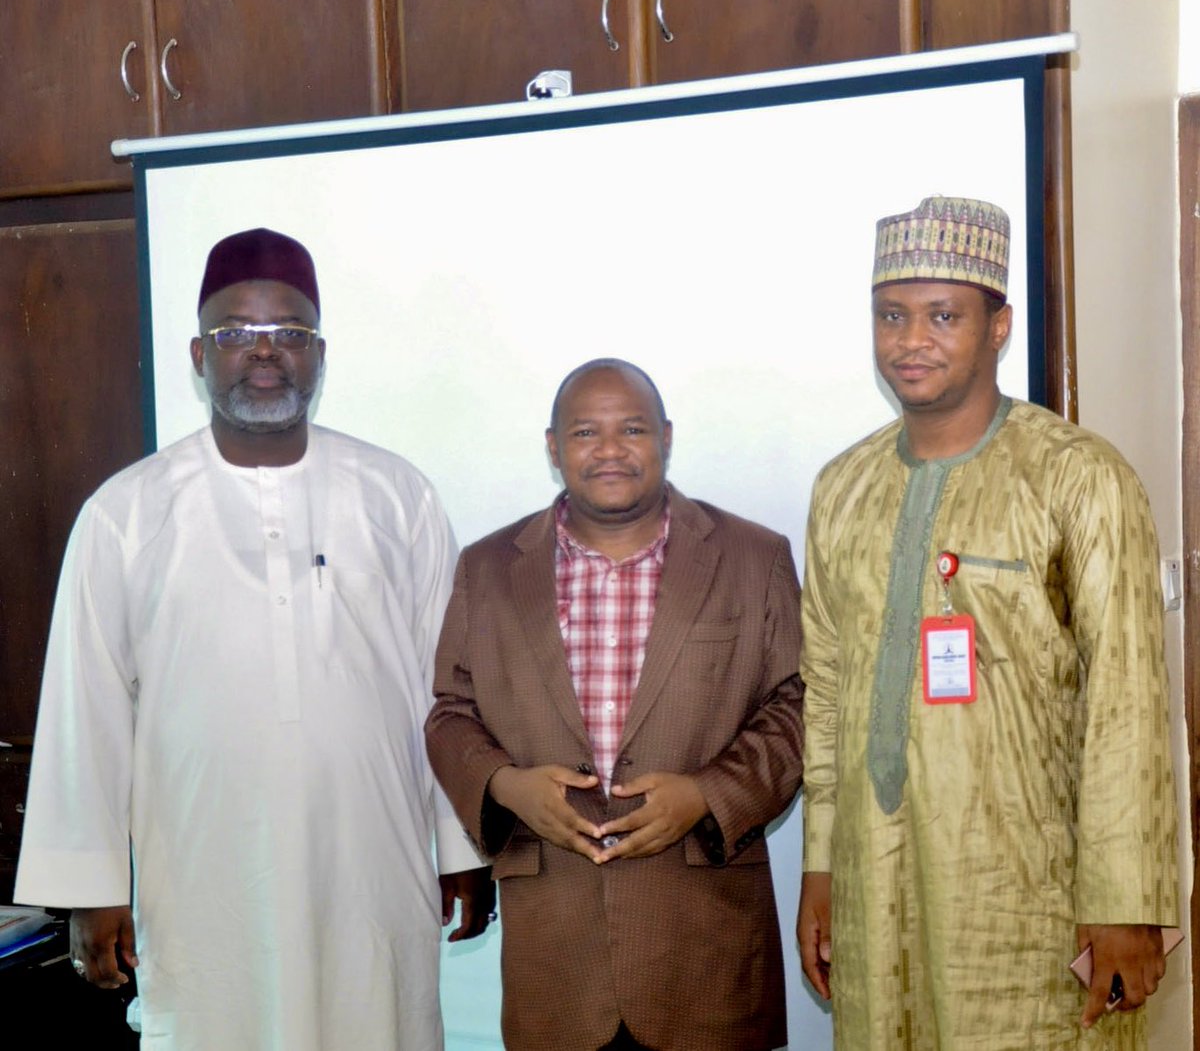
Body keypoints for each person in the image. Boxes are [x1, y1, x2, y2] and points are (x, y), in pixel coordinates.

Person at [15, 227, 494, 1050]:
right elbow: (81, 709)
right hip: (203, 871)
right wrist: (91, 886)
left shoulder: (396, 494)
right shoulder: (126, 513)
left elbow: (446, 686)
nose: (264, 352)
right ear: (201, 354)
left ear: (318, 355)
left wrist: (462, 843)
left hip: (371, 860)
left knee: (376, 1016)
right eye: (238, 333)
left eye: (289, 334)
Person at [796, 195, 1180, 1048]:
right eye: (891, 315)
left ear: (998, 325)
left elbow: (1128, 705)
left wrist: (1125, 902)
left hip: (1028, 890)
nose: (911, 341)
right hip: (874, 873)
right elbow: (824, 693)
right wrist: (820, 866)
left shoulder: (1080, 477)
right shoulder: (842, 488)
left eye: (943, 316)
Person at [424, 359, 804, 1051]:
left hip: (707, 951)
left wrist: (706, 795)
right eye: (585, 431)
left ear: (665, 436)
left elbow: (798, 706)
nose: (609, 449)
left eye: (631, 428)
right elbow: (451, 711)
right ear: (552, 447)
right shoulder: (488, 568)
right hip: (556, 962)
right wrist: (507, 787)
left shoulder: (755, 556)